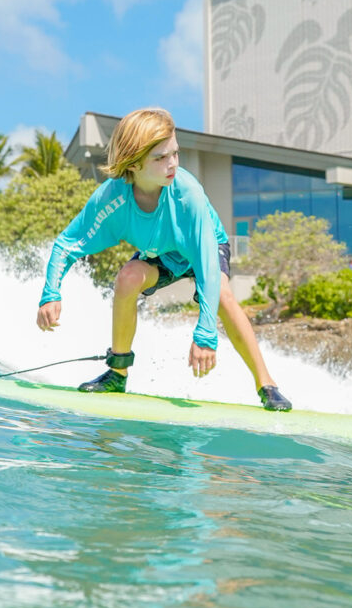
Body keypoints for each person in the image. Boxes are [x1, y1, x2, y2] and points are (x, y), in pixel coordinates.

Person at [35, 107, 292, 411]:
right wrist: (51, 292)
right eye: (160, 158)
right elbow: (67, 243)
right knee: (128, 276)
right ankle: (117, 372)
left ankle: (267, 384)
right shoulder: (112, 198)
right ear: (132, 164)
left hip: (204, 245)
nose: (172, 164)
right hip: (160, 253)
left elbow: (206, 263)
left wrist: (206, 332)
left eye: (175, 153)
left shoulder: (188, 195)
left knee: (221, 294)